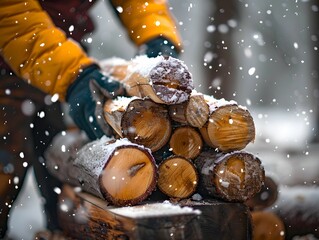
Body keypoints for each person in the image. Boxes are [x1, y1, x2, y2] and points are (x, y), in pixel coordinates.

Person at [0, 0, 182, 239]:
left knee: (63, 181)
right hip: (9, 69)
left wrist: (157, 34)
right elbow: (12, 14)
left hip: (57, 60)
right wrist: (72, 74)